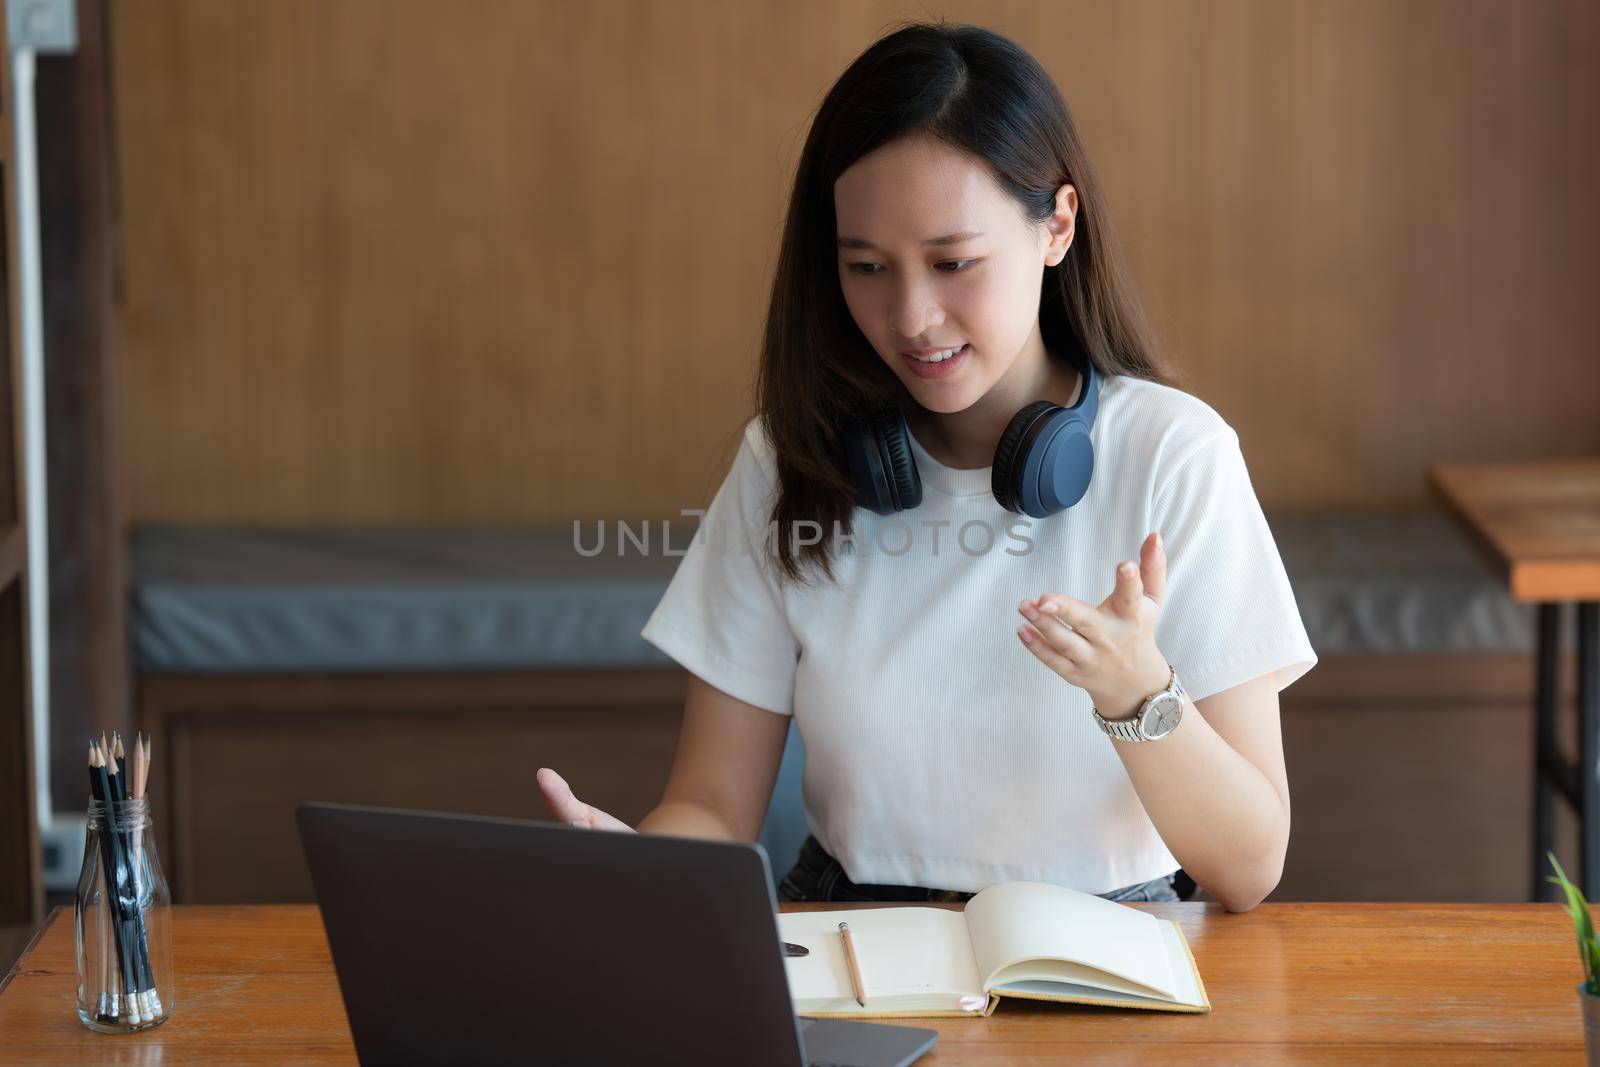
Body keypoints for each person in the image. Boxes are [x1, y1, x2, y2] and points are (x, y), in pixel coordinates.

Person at [537, 20, 1316, 913]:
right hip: (854, 938)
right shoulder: (788, 458)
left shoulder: (1174, 458)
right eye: (866, 266)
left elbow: (1250, 869)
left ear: (1057, 227)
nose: (911, 317)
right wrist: (639, 868)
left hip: (1110, 947)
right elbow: (712, 804)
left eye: (954, 263)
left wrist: (1138, 693)